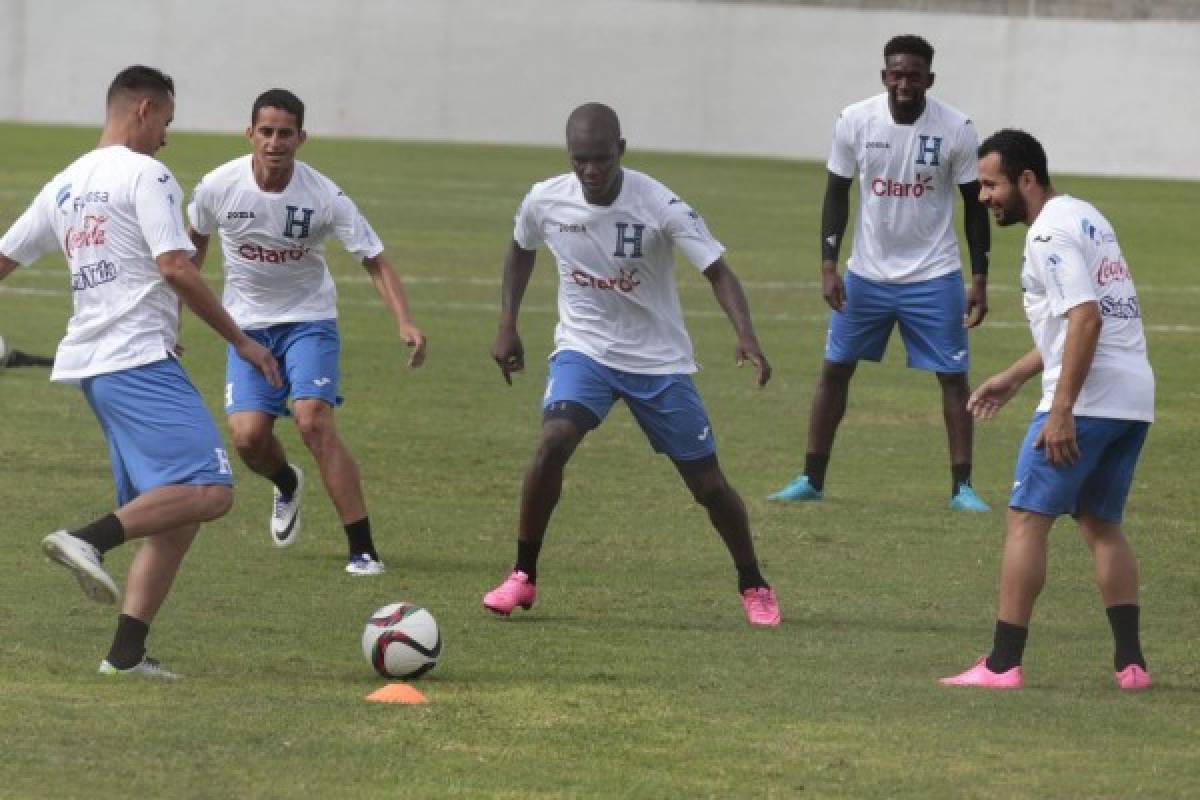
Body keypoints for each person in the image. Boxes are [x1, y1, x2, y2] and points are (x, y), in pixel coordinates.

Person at [0, 65, 282, 678]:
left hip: (98, 367)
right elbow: (176, 267)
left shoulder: (66, 184)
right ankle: (89, 538)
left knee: (175, 512)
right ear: (146, 109)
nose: (167, 139)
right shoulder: (148, 174)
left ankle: (125, 655)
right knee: (212, 491)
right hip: (136, 359)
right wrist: (245, 343)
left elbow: (3, 257)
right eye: (168, 123)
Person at [482, 102, 781, 627]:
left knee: (708, 486)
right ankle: (522, 576)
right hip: (585, 350)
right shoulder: (545, 199)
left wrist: (746, 335)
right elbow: (520, 249)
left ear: (621, 149)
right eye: (581, 161)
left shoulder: (659, 203)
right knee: (551, 444)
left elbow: (718, 272)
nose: (591, 172)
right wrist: (507, 322)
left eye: (601, 159)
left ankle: (753, 581)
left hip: (658, 361)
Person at [941, 129, 1154, 690]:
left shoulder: (1047, 235)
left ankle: (1002, 665)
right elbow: (1074, 320)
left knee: (1026, 521)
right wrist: (1013, 377)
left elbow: (1086, 317)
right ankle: (1130, 665)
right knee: (1102, 525)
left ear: (1026, 179)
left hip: (1086, 399)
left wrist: (1062, 409)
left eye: (991, 185)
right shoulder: (1087, 216)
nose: (984, 198)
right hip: (1132, 399)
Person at [187, 89, 426, 576]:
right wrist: (169, 320)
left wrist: (404, 320)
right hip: (246, 328)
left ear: (302, 137)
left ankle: (362, 548)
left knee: (313, 421)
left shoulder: (323, 196)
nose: (275, 142)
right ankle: (286, 482)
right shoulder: (217, 187)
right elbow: (191, 250)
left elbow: (374, 261)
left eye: (286, 133)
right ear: (250, 133)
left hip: (308, 320)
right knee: (249, 438)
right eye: (267, 131)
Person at [769, 34, 992, 511]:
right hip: (866, 275)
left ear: (930, 79)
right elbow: (835, 193)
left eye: (914, 75)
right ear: (884, 76)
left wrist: (979, 280)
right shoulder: (855, 120)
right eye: (897, 74)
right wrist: (829, 265)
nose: (905, 83)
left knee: (953, 376)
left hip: (934, 275)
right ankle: (811, 478)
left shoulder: (957, 128)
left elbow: (975, 208)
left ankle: (963, 487)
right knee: (834, 369)